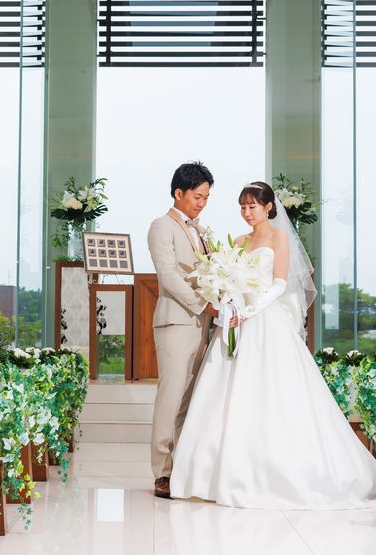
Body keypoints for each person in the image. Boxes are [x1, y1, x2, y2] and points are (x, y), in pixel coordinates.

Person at [170, 181, 376, 509]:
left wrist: (248, 311)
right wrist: (229, 303)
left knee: (275, 393)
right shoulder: (238, 242)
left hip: (265, 320)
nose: (247, 212)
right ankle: (213, 474)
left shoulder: (279, 238)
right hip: (237, 324)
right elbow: (229, 282)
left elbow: (280, 284)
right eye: (242, 207)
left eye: (252, 206)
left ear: (268, 207)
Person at [147, 162, 219, 499]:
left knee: (189, 401)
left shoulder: (201, 231)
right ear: (179, 193)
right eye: (197, 197)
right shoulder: (161, 227)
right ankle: (162, 472)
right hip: (176, 323)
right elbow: (168, 275)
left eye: (206, 198)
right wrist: (203, 304)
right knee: (171, 397)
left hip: (202, 325)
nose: (202, 203)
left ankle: (183, 471)